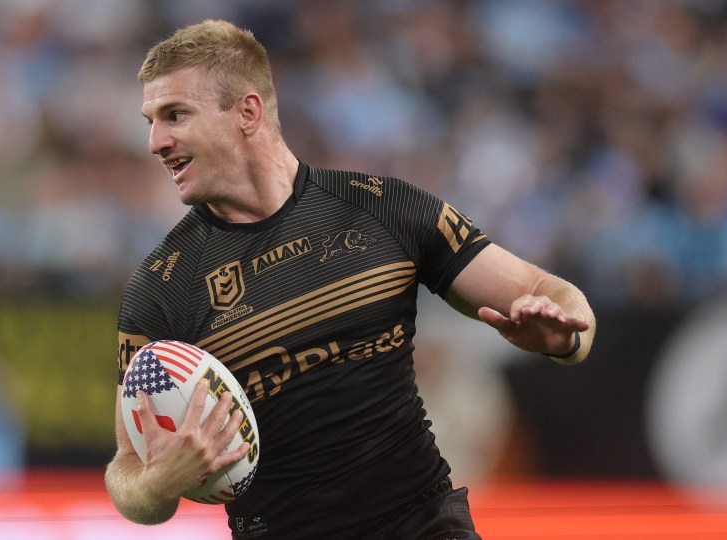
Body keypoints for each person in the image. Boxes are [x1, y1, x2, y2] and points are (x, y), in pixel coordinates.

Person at [104, 19, 595, 540]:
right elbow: (126, 468)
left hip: (424, 526)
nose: (156, 142)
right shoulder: (161, 288)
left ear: (247, 112)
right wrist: (157, 484)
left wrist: (565, 339)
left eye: (175, 115)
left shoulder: (383, 208)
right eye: (151, 121)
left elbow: (548, 293)